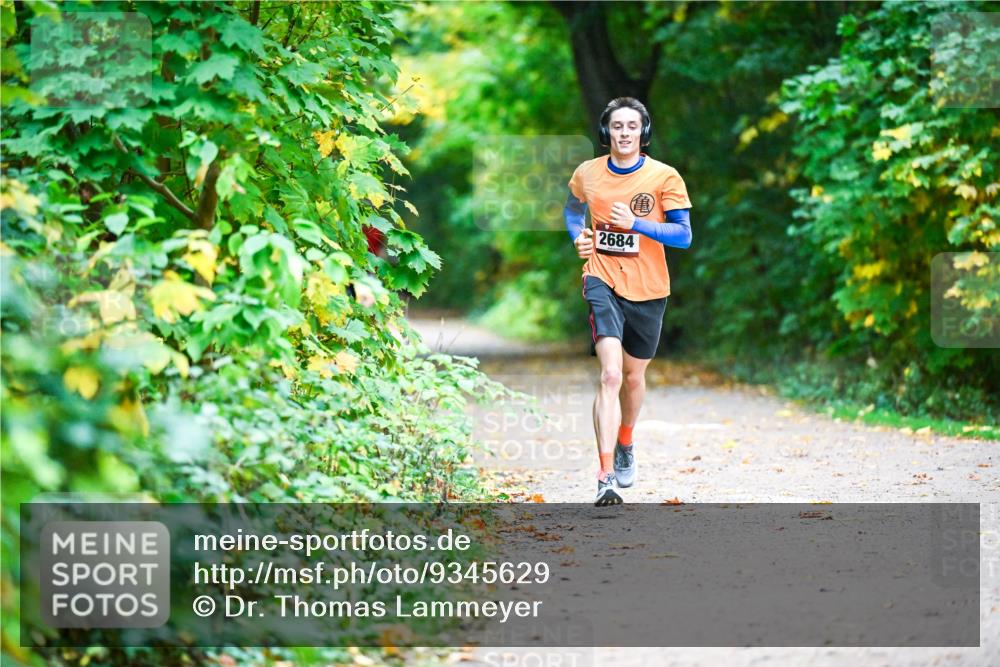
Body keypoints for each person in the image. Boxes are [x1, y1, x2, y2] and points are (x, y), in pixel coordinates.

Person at [563, 97, 693, 506]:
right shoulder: (588, 173)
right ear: (606, 132)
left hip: (649, 288)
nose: (623, 133)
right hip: (600, 278)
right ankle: (605, 476)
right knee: (611, 376)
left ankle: (625, 441)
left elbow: (684, 236)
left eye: (631, 127)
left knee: (634, 379)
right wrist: (578, 236)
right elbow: (571, 211)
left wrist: (635, 224)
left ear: (643, 132)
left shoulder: (664, 177)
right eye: (616, 126)